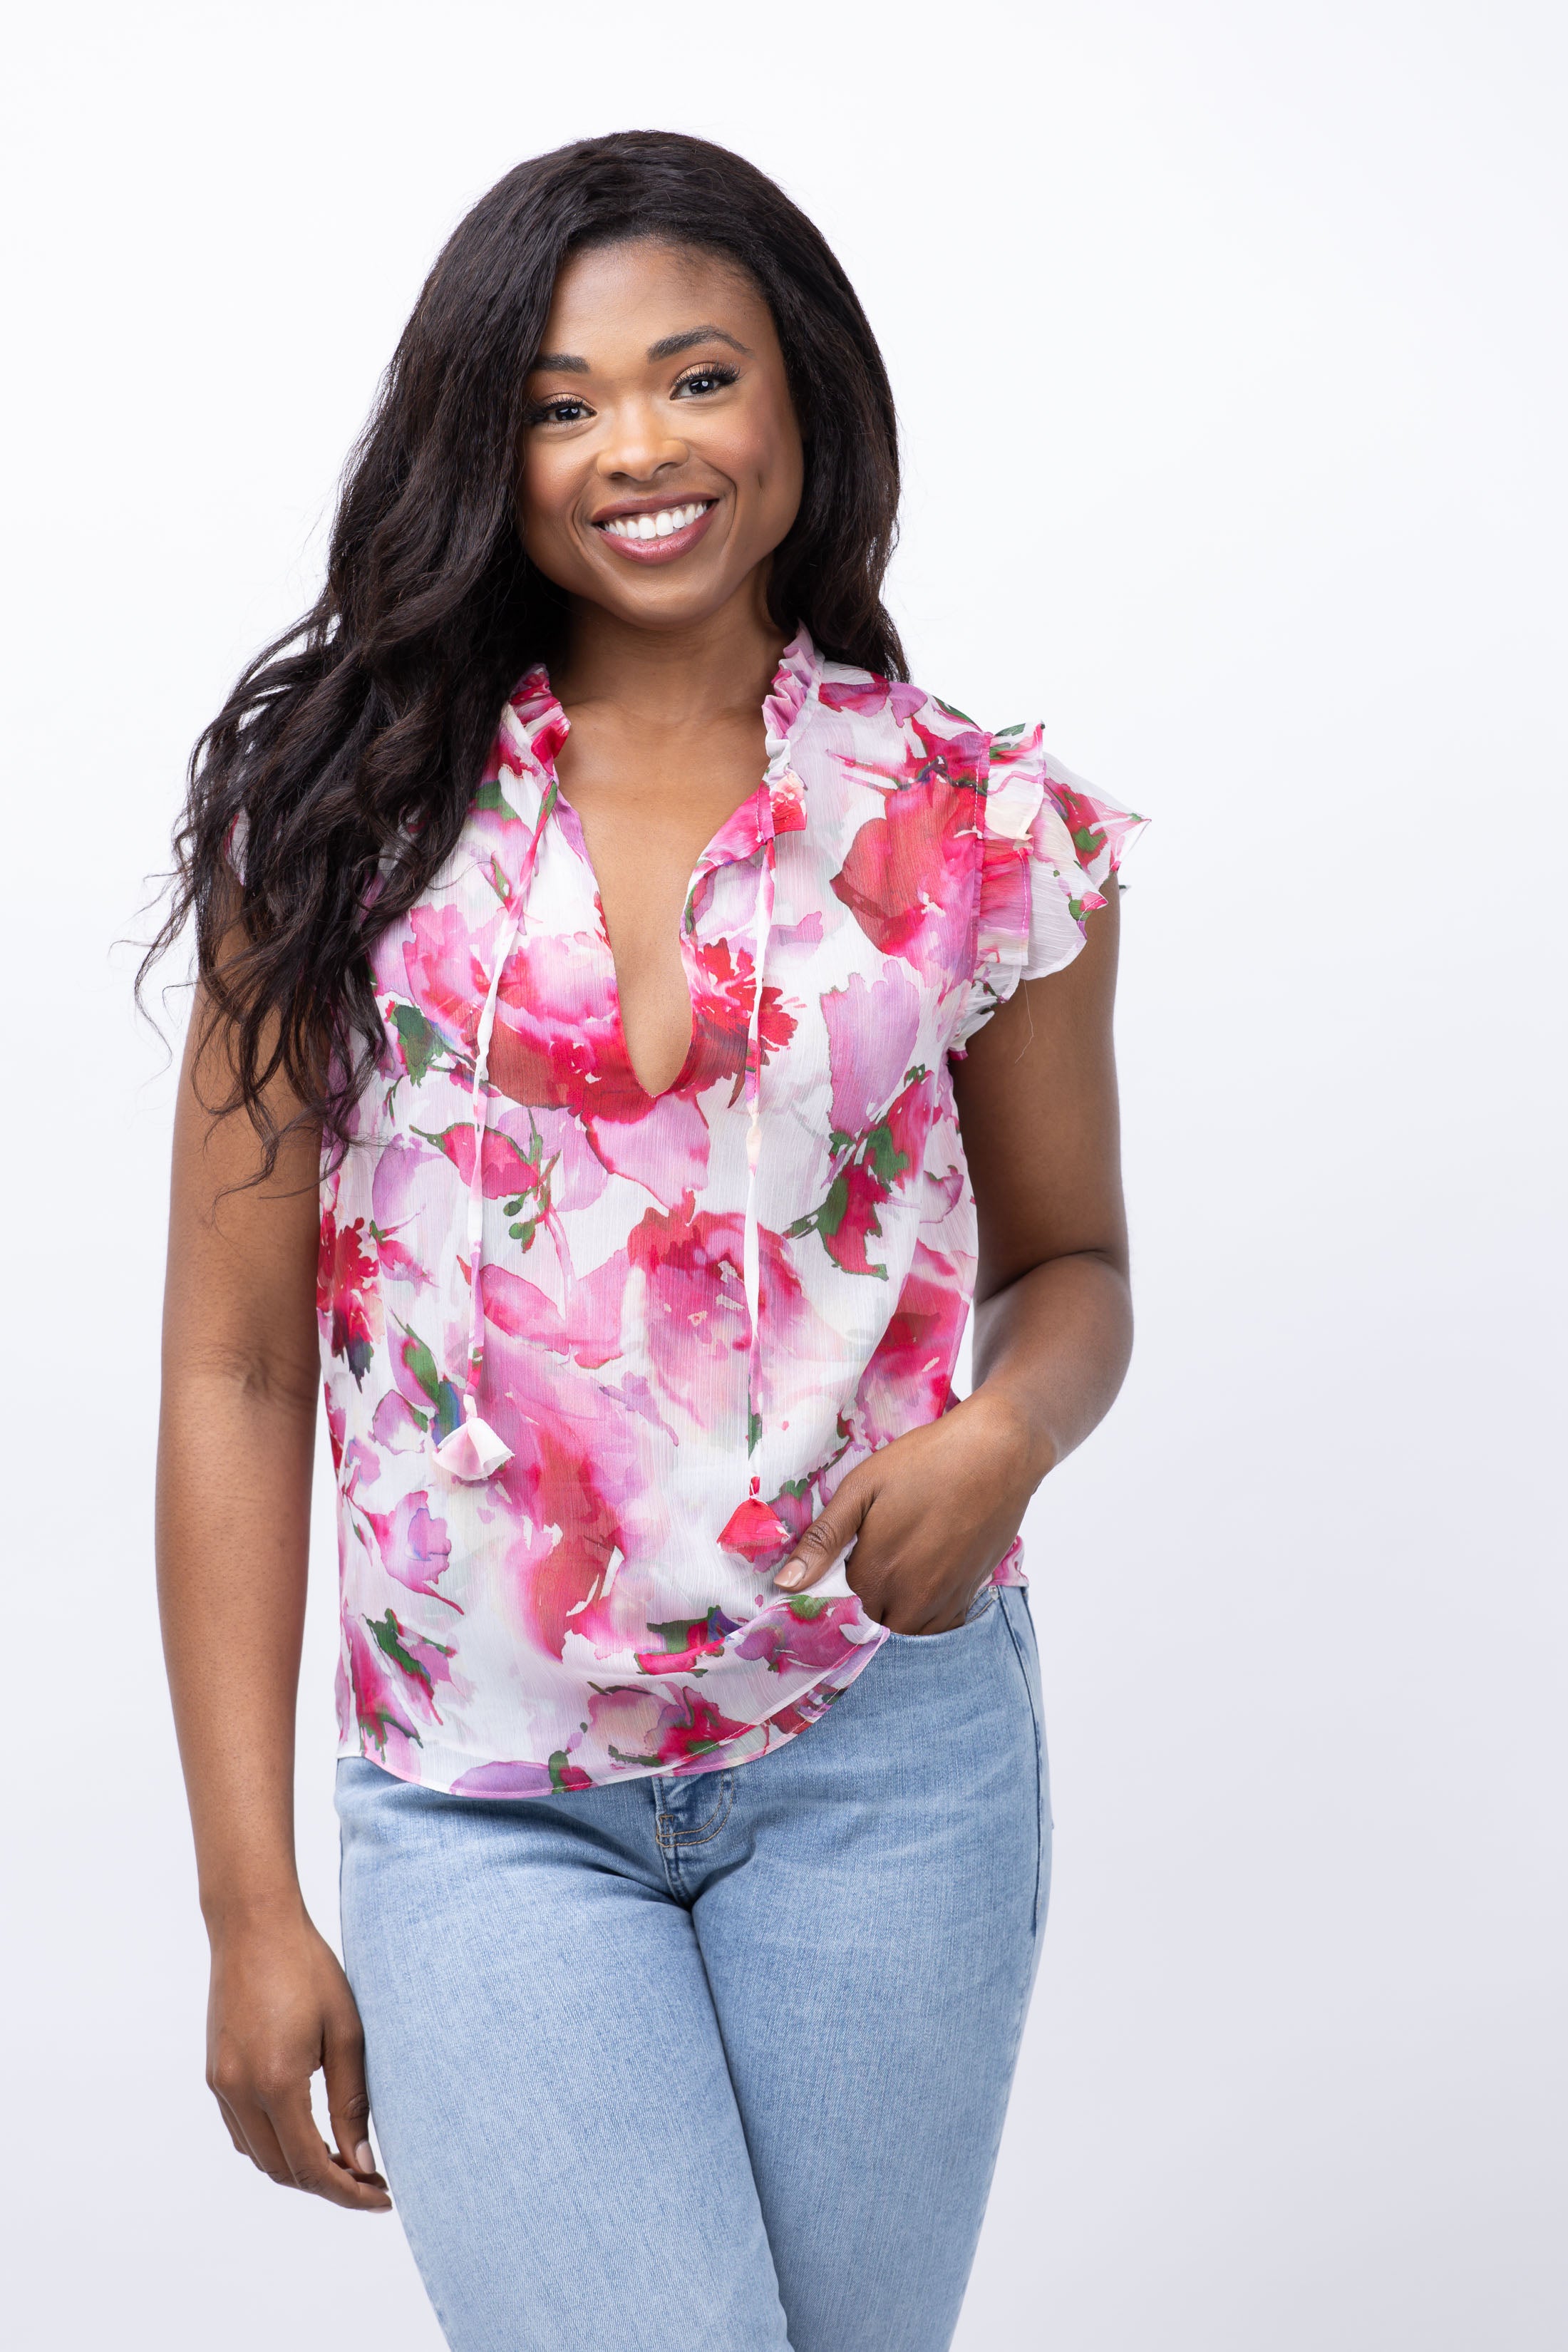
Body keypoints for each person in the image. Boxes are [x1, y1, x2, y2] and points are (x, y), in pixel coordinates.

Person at [152, 129, 1145, 2352]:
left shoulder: (982, 829)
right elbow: (235, 1360)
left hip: (891, 1761)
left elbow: (1074, 1268)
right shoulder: (333, 827)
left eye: (695, 376)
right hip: (481, 1798)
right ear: (482, 450)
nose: (638, 450)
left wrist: (1006, 1437)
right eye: (560, 404)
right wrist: (245, 1897)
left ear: (800, 390)